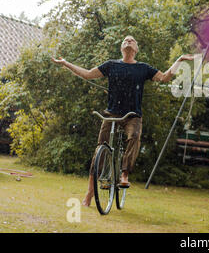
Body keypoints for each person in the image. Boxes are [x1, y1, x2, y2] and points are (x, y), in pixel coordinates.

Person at [51, 35, 193, 206]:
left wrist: (179, 60)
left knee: (134, 136)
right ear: (121, 48)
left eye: (132, 40)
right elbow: (88, 74)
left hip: (132, 115)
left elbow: (164, 77)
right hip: (111, 114)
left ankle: (124, 173)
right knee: (99, 151)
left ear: (136, 49)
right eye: (125, 40)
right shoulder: (111, 65)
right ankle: (89, 193)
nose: (128, 41)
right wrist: (66, 63)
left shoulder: (143, 68)